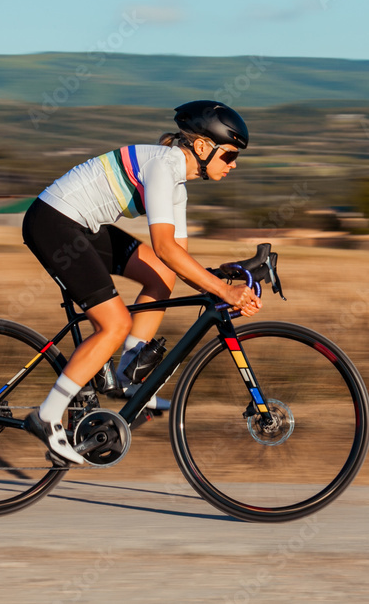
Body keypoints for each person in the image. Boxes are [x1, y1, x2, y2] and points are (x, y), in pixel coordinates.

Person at [21, 100, 262, 464]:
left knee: (161, 275)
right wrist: (223, 290)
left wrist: (224, 279)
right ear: (201, 147)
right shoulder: (163, 167)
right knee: (113, 324)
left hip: (83, 227)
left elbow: (176, 261)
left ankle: (126, 374)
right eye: (228, 156)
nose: (233, 165)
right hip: (54, 224)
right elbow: (166, 247)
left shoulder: (177, 183)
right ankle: (47, 415)